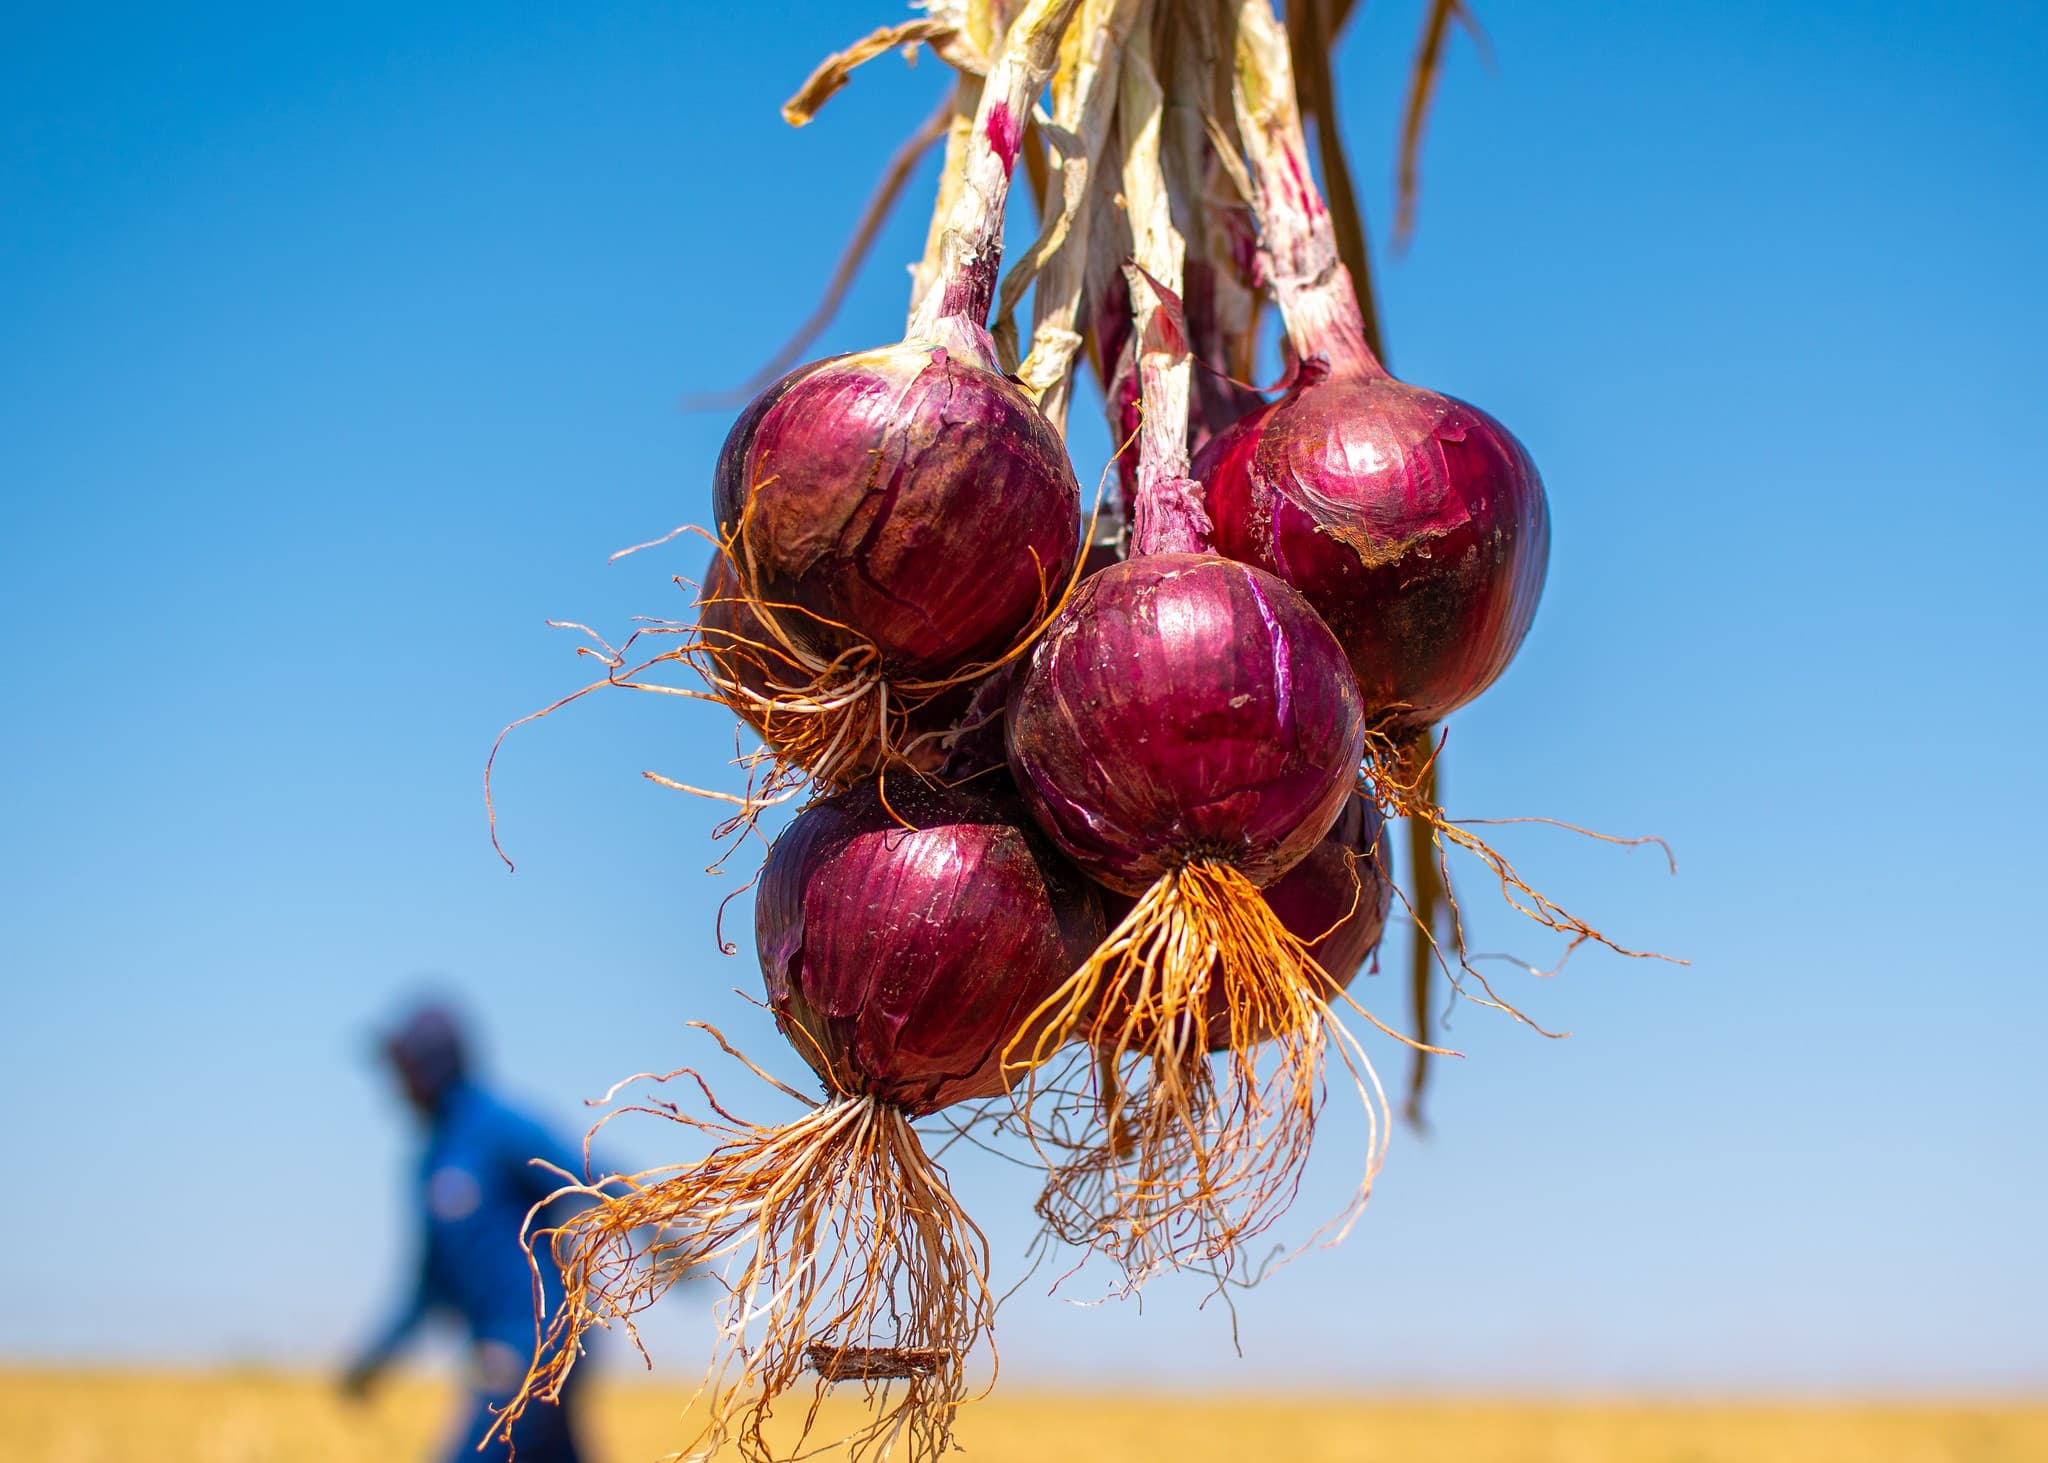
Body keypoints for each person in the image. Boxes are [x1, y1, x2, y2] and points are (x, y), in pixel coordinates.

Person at [342, 1002, 596, 1463]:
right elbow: (428, 1284)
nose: (396, 1081)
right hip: (498, 1348)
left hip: (536, 1342)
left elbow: (588, 1177)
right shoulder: (429, 1162)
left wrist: (661, 1234)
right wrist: (378, 1357)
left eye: (404, 1064)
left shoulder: (495, 1127)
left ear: (435, 1063)